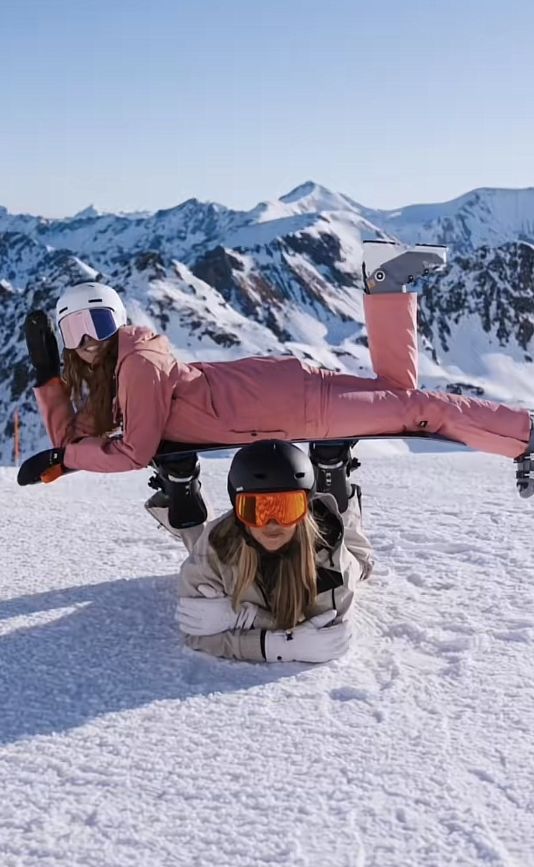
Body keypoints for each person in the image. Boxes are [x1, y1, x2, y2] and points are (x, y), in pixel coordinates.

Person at [20, 242, 534, 501]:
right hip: (283, 391)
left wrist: (71, 458)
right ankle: (388, 279)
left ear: (120, 323)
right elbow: (85, 437)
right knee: (399, 396)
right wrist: (49, 382)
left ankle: (527, 433)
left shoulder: (137, 363)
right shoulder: (122, 366)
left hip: (294, 407)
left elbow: (133, 452)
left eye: (99, 322)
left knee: (417, 410)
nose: (88, 341)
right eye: (74, 332)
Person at [173, 439, 373, 663]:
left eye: (287, 509)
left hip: (322, 537)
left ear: (305, 509)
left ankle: (334, 476)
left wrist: (245, 618)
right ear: (237, 513)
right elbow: (195, 635)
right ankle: (181, 485)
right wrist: (282, 644)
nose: (272, 524)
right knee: (216, 550)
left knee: (360, 562)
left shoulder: (332, 564)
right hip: (233, 544)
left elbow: (330, 635)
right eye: (256, 510)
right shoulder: (213, 547)